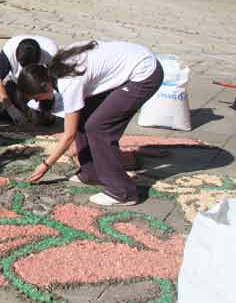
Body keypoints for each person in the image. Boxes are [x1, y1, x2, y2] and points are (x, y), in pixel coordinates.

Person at [16, 41, 163, 206]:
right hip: (133, 60)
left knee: (99, 128)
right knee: (83, 116)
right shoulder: (54, 69)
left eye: (36, 98)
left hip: (145, 74)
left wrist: (45, 165)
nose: (36, 101)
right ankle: (90, 172)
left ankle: (122, 192)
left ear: (45, 86)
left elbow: (69, 135)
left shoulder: (68, 82)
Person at [0, 35, 58, 125]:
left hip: (40, 86)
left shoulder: (52, 53)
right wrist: (11, 109)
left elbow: (58, 82)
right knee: (19, 115)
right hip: (16, 83)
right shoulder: (9, 49)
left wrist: (49, 101)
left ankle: (43, 112)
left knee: (46, 120)